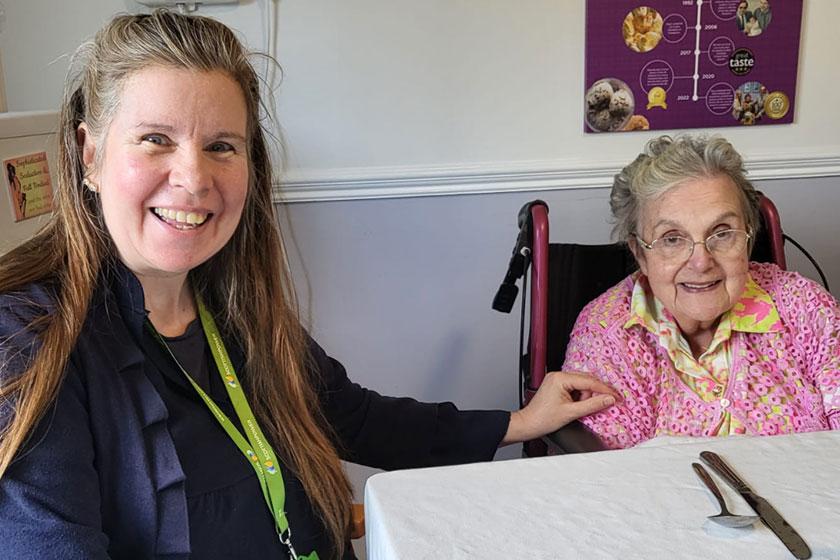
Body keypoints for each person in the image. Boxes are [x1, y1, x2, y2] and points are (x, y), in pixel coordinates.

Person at [0, 10, 617, 560]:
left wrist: (517, 422)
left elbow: (356, 416)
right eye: (155, 140)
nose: (192, 177)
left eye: (222, 146)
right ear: (88, 153)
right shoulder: (29, 341)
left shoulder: (231, 305)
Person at [562, 134, 839, 450]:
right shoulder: (607, 334)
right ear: (640, 253)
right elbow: (613, 476)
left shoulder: (806, 309)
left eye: (722, 233)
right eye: (671, 238)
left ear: (748, 239)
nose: (701, 262)